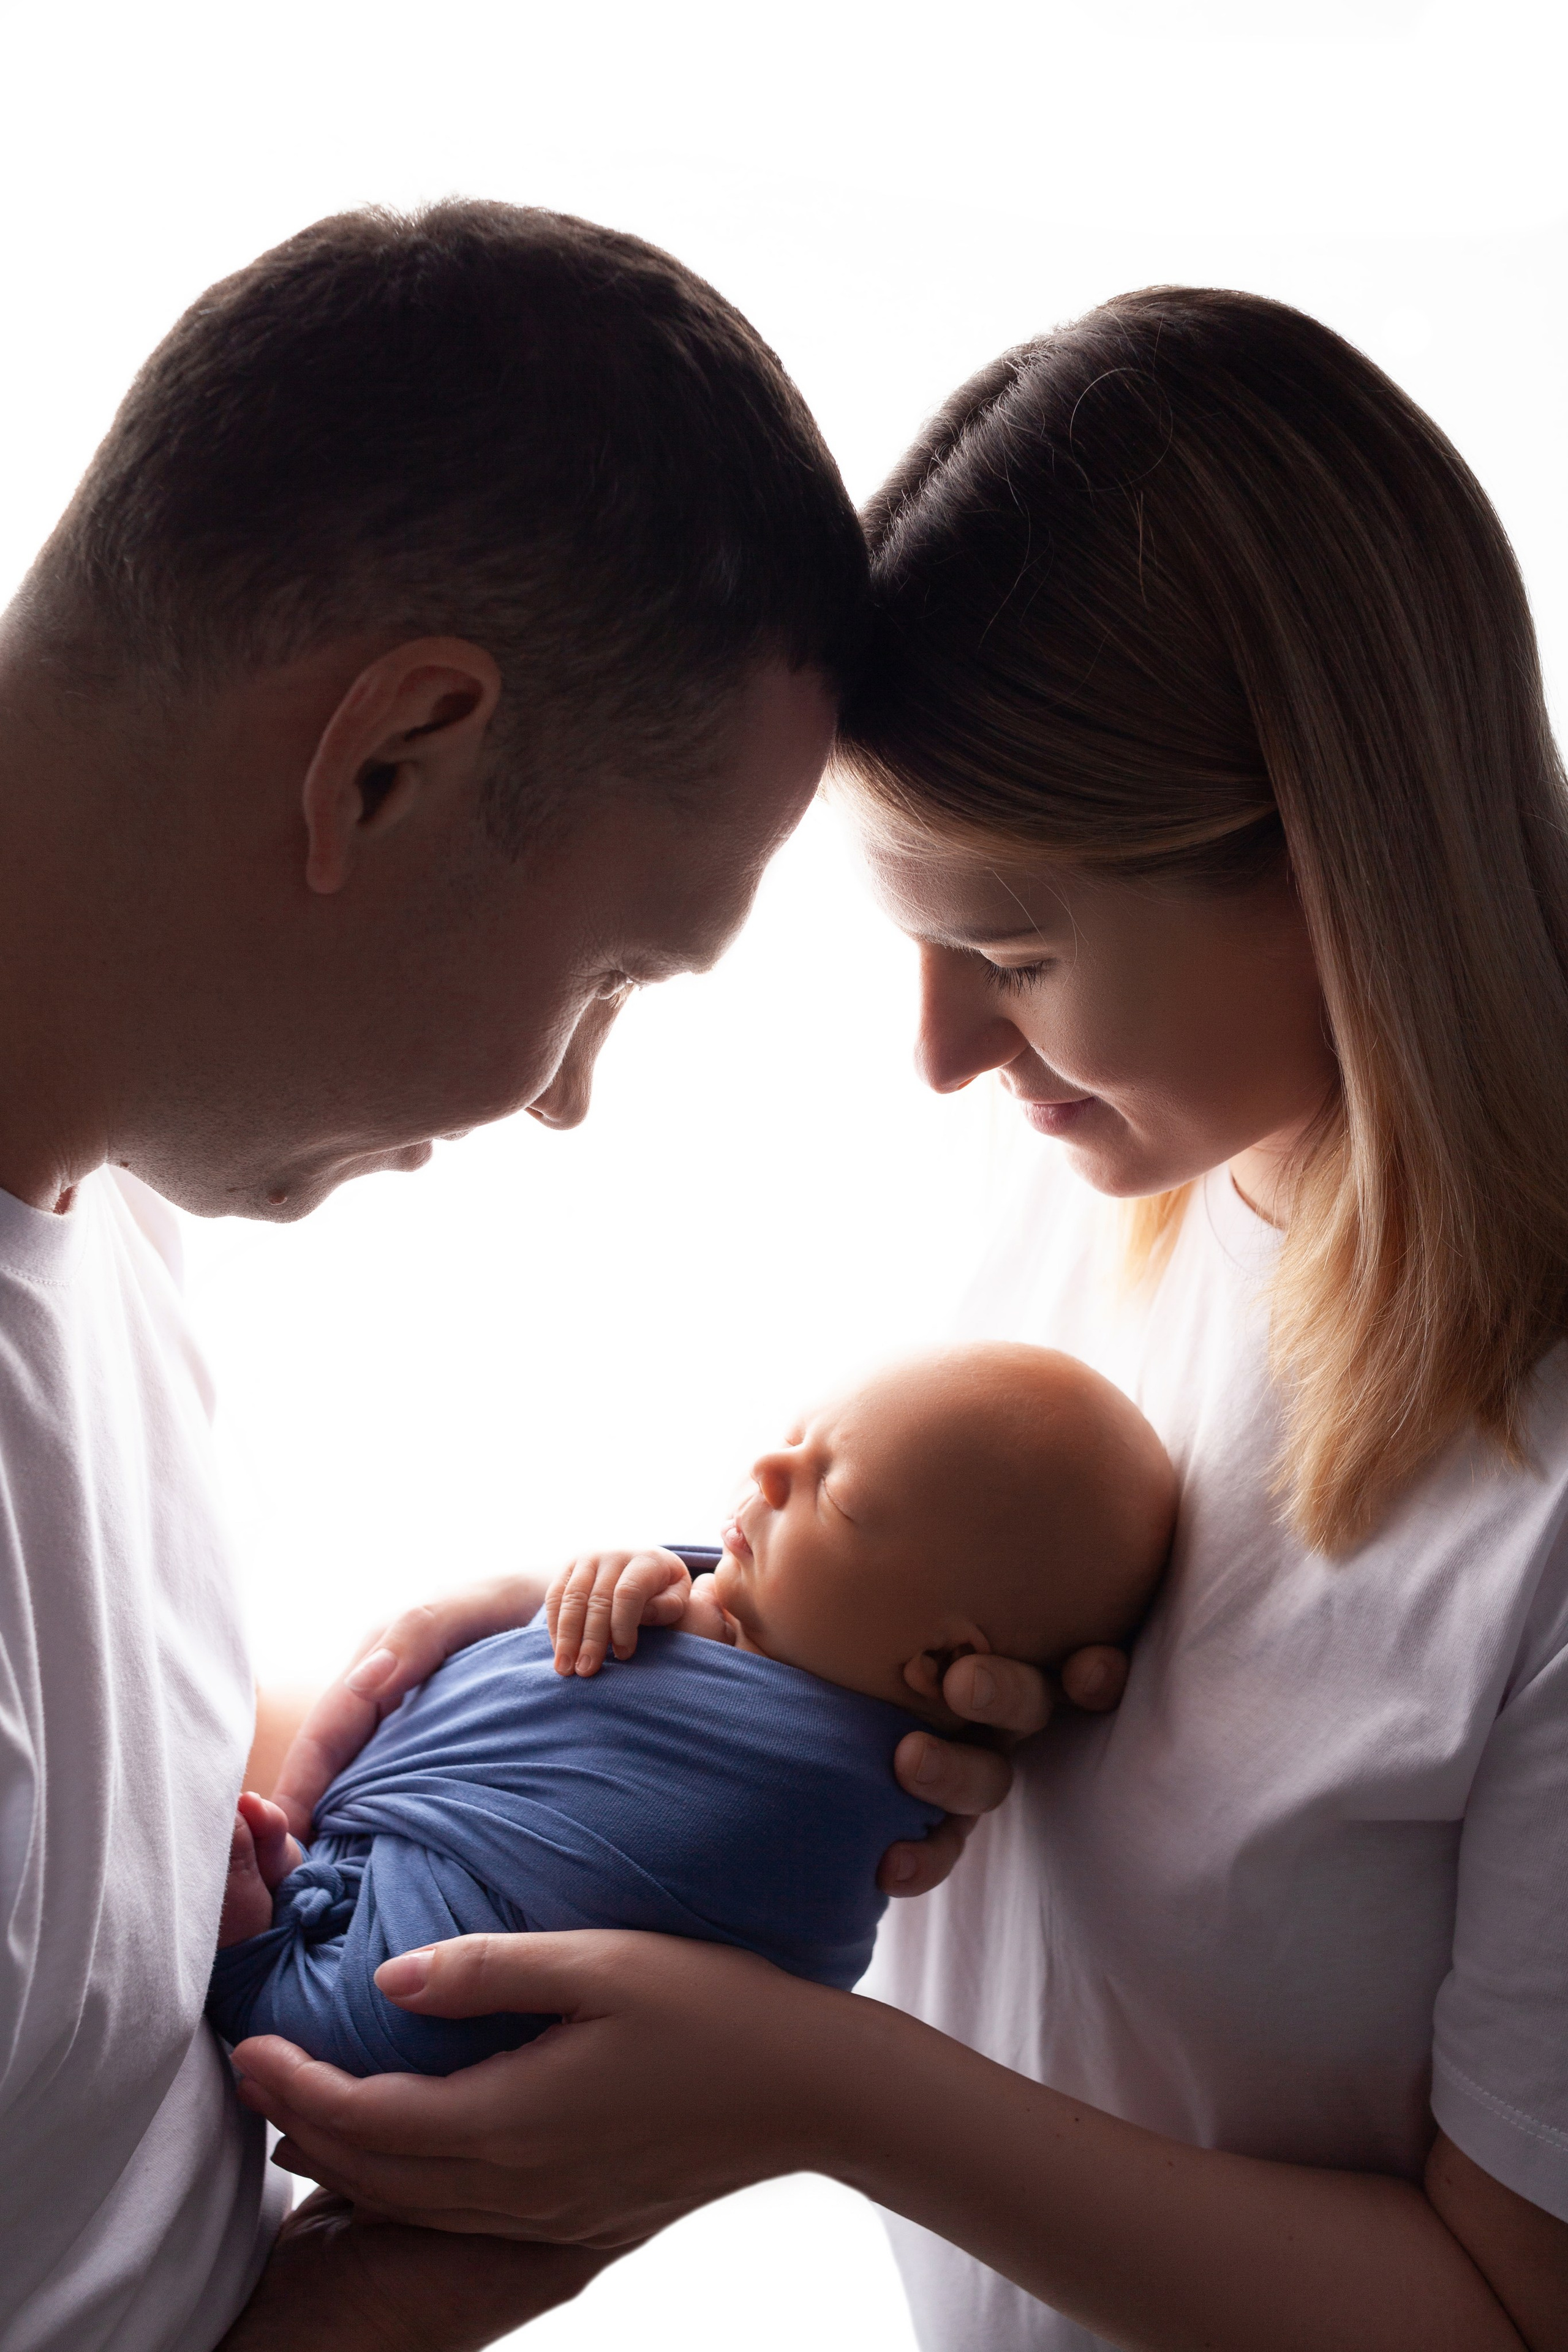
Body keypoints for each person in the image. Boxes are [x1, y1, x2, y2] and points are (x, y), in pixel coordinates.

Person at [232, 290, 1568, 2351]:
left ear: (1339, 857)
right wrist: (628, 1648)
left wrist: (808, 2092)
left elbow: (1508, 2311)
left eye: (1014, 953)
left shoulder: (1532, 1503)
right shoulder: (1102, 1191)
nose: (944, 1053)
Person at [0, 194, 865, 2352]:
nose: (565, 1097)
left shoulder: (101, 1186)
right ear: (387, 763)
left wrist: (478, 1742)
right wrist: (440, 2283)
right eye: (618, 970)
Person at [207, 1345, 1174, 2075]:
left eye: (834, 1497)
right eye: (798, 1437)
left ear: (943, 1663)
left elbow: (688, 1898)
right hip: (384, 1833)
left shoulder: (819, 1796)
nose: (769, 1470)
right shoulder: (723, 1601)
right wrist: (607, 1580)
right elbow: (575, 1655)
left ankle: (268, 1961)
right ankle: (303, 1901)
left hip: (448, 1964)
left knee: (407, 2015)